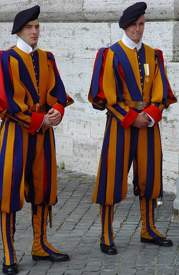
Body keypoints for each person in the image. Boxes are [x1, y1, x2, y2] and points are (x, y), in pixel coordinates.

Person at [0, 5, 74, 275]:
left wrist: (57, 111)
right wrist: (40, 121)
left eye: (37, 26)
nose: (35, 31)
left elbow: (59, 93)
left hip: (43, 136)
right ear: (18, 30)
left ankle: (40, 244)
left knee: (43, 186)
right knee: (11, 189)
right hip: (17, 133)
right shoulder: (3, 59)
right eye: (29, 27)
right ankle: (9, 252)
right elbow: (2, 103)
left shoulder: (47, 58)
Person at [88, 2, 177, 255]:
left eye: (141, 24)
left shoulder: (154, 55)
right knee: (111, 178)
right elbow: (103, 97)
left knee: (150, 176)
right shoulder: (110, 54)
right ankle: (106, 234)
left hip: (148, 125)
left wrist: (149, 116)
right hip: (120, 126)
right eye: (133, 25)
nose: (138, 29)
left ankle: (148, 229)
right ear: (124, 27)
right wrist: (130, 117)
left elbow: (162, 94)